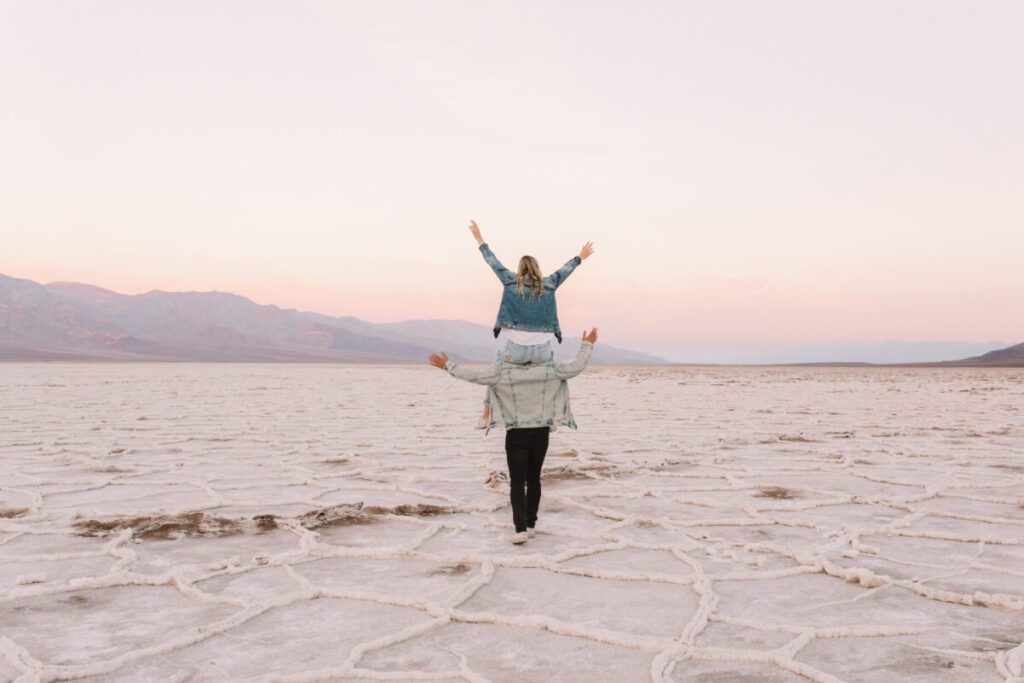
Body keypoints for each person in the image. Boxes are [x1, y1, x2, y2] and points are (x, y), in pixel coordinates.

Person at [429, 328, 599, 544]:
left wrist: (448, 366)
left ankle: (520, 529)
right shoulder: (551, 371)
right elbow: (576, 367)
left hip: (516, 434)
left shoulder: (502, 372)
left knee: (517, 482)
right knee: (534, 479)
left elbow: (474, 376)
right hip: (540, 433)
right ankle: (530, 525)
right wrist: (587, 344)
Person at [468, 220, 594, 429]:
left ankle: (485, 414)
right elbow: (566, 269)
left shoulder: (510, 280)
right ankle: (550, 419)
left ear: (520, 268)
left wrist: (479, 238)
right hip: (541, 351)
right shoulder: (550, 283)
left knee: (496, 374)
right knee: (551, 378)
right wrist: (580, 256)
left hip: (514, 351)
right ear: (537, 268)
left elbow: (492, 261)